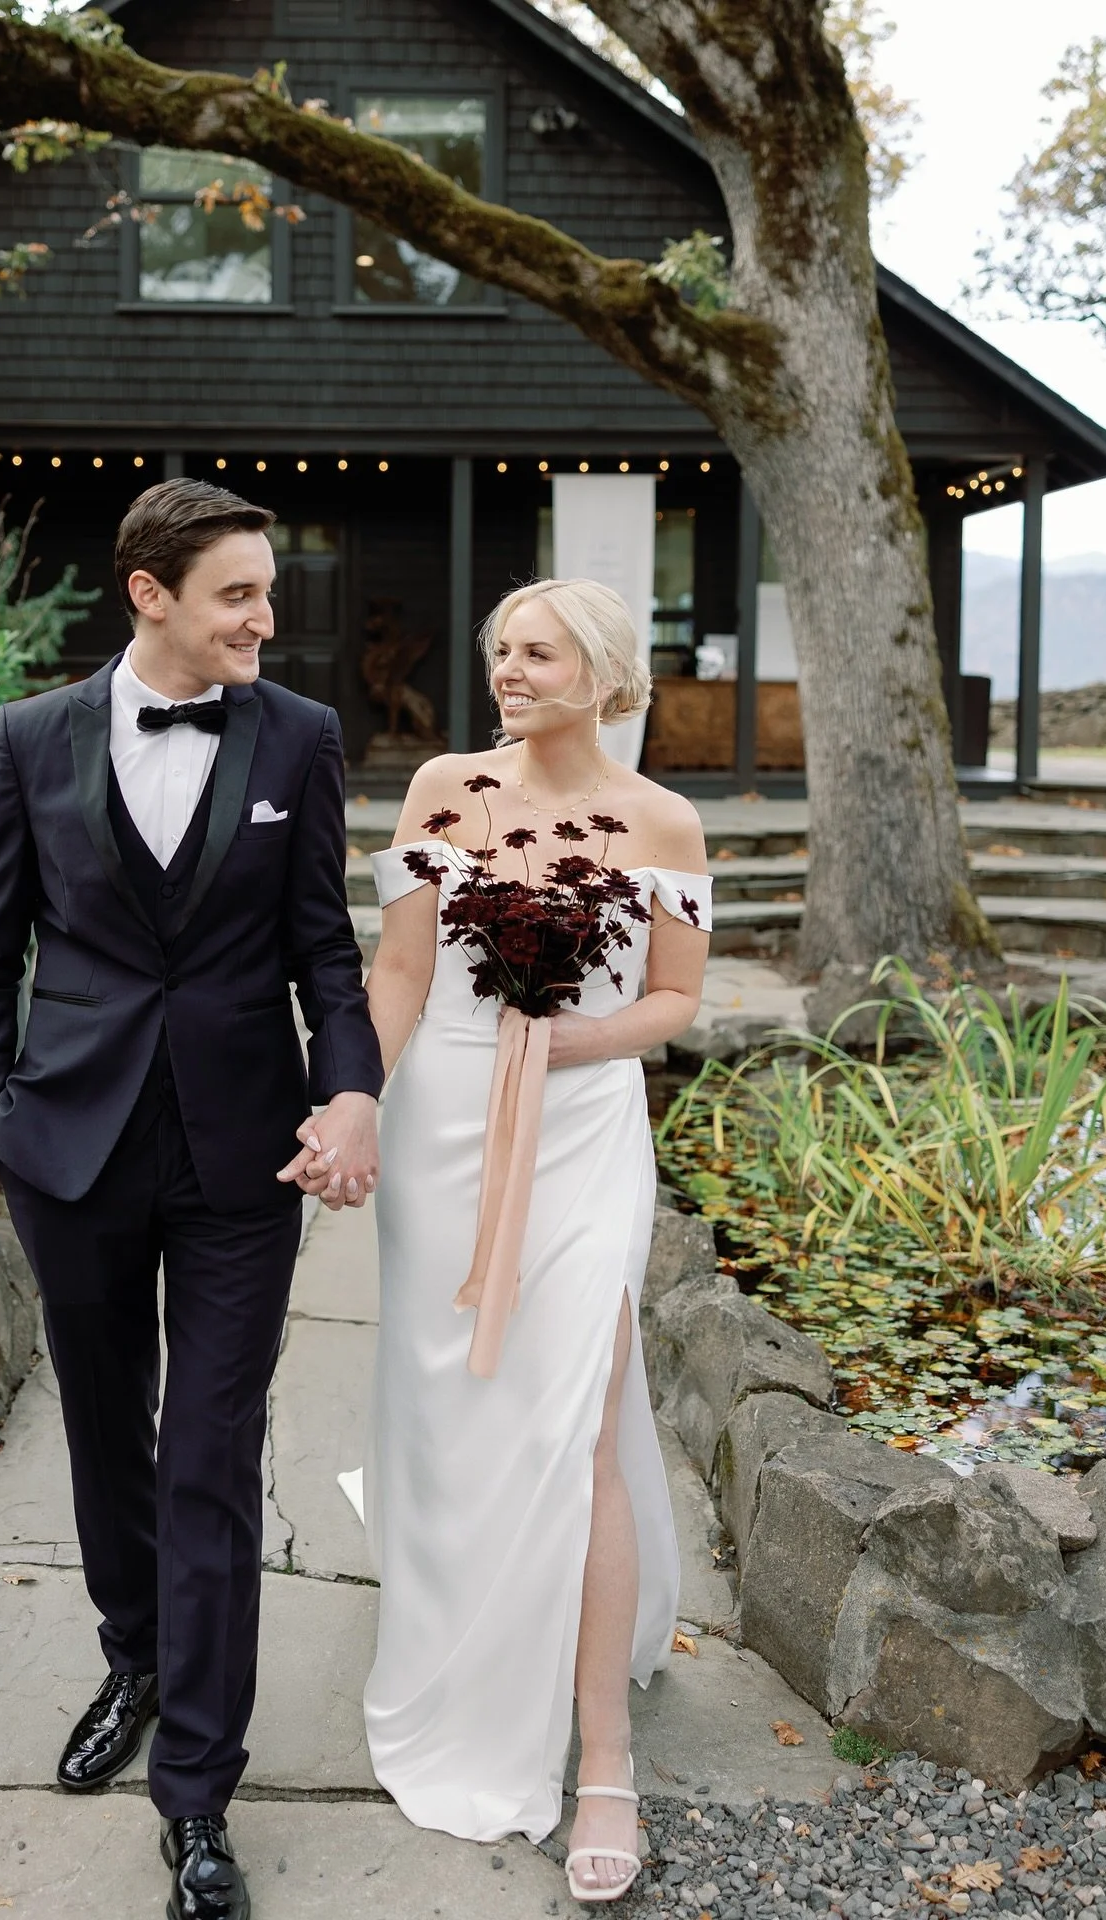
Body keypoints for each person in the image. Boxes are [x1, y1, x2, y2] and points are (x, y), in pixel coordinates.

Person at [0, 479, 383, 1920]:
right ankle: (133, 1648)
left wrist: (355, 1088)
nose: (266, 618)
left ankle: (196, 1794)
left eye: (267, 594)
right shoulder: (32, 736)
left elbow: (326, 945)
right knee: (103, 1432)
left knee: (211, 1452)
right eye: (238, 596)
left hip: (241, 1155)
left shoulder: (302, 739)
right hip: (68, 1149)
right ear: (152, 595)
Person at [359, 578, 711, 1903]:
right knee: (456, 1405)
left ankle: (602, 1760)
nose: (509, 670)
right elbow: (398, 973)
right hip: (443, 1125)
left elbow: (674, 1003)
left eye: (537, 652)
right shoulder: (444, 787)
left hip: (581, 1135)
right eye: (501, 650)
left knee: (579, 1408)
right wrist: (352, 1097)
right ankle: (457, 1636)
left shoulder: (665, 821)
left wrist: (567, 1037)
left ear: (602, 672)